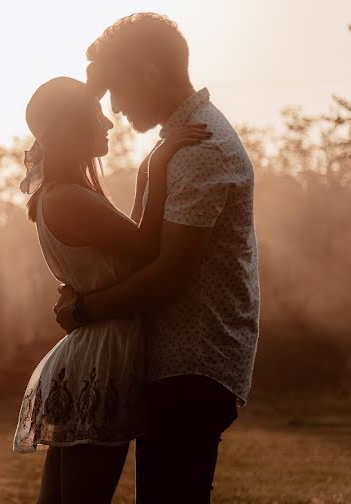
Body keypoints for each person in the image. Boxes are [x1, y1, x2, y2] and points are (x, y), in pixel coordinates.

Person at [55, 12, 261, 504]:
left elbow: (168, 275)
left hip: (193, 367)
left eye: (117, 92)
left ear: (149, 73)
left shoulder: (200, 148)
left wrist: (86, 308)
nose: (117, 109)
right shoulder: (176, 144)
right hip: (174, 363)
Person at [11, 75, 211, 504]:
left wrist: (149, 171)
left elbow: (131, 236)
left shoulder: (63, 195)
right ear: (70, 128)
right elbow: (145, 245)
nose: (109, 123)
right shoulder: (70, 199)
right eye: (96, 114)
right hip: (102, 363)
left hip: (92, 353)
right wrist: (158, 166)